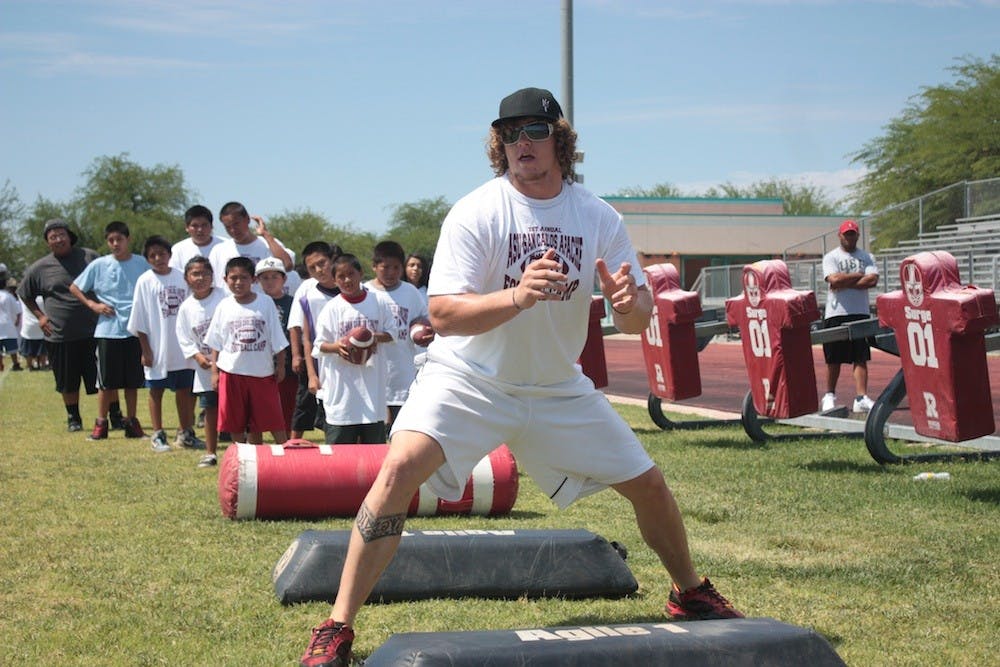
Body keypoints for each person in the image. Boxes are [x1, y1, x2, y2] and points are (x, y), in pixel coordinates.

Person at [299, 87, 742, 667]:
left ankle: (689, 592)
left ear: (560, 138)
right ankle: (337, 627)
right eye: (508, 134)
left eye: (533, 130)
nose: (520, 143)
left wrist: (630, 302)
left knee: (649, 484)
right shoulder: (478, 210)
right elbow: (443, 314)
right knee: (398, 469)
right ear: (497, 145)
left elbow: (635, 319)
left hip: (556, 385)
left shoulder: (597, 216)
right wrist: (517, 295)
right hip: (469, 378)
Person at [69, 221, 149, 439]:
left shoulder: (142, 263)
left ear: (128, 239)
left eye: (119, 240)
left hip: (134, 330)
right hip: (107, 330)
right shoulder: (99, 265)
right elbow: (75, 287)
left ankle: (132, 422)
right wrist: (93, 305)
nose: (115, 244)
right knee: (106, 382)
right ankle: (101, 424)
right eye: (111, 240)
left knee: (132, 382)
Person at [17, 219, 99, 431]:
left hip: (95, 330)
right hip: (60, 334)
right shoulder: (39, 268)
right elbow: (24, 293)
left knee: (102, 377)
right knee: (67, 380)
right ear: (48, 242)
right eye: (52, 237)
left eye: (61, 234)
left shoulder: (89, 257)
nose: (58, 239)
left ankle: (114, 415)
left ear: (69, 236)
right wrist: (40, 316)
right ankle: (74, 418)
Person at [311, 253, 397, 445]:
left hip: (372, 392)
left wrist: (371, 338)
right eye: (341, 276)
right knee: (339, 456)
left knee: (373, 454)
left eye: (351, 274)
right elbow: (319, 345)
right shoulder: (332, 308)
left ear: (361, 274)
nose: (347, 280)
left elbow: (393, 334)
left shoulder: (379, 302)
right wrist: (337, 346)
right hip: (342, 393)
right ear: (334, 280)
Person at [127, 236, 201, 452]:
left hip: (182, 346)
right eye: (152, 255)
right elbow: (139, 318)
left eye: (162, 254)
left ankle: (185, 432)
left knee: (185, 390)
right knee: (156, 390)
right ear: (147, 258)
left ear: (170, 255)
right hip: (157, 347)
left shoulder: (181, 278)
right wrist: (145, 349)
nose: (158, 258)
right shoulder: (145, 281)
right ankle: (158, 434)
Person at [205, 256, 289, 445]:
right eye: (233, 278)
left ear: (253, 280)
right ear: (225, 279)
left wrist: (281, 365)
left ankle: (286, 459)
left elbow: (277, 336)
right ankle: (245, 460)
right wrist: (214, 373)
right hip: (232, 373)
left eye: (243, 278)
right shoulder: (224, 306)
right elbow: (216, 342)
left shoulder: (265, 303)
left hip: (262, 373)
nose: (238, 282)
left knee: (273, 420)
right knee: (236, 423)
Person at [365, 241, 430, 427]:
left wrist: (422, 331)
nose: (391, 272)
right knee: (374, 432)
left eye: (396, 267)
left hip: (402, 374)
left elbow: (422, 319)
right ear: (374, 266)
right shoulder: (365, 292)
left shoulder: (410, 292)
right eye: (385, 267)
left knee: (403, 428)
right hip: (372, 373)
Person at [820, 219, 879, 413]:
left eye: (853, 234)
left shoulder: (867, 256)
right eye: (847, 234)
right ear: (840, 235)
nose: (850, 237)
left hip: (859, 312)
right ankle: (829, 395)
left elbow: (872, 280)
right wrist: (857, 275)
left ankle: (861, 398)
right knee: (833, 358)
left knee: (860, 357)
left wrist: (845, 281)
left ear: (857, 235)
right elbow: (834, 279)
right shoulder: (831, 257)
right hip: (836, 313)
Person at [176, 256, 227, 467]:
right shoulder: (187, 307)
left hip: (230, 363)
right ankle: (210, 452)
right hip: (205, 367)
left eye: (205, 273)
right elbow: (184, 337)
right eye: (195, 274)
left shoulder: (224, 297)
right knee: (210, 408)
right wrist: (197, 356)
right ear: (187, 278)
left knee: (234, 407)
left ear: (212, 276)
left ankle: (243, 450)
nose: (200, 278)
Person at [287, 241, 342, 440]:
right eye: (312, 267)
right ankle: (293, 445)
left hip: (346, 360)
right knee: (305, 403)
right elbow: (298, 327)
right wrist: (297, 356)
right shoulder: (308, 291)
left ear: (332, 260)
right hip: (316, 360)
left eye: (322, 263)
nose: (319, 270)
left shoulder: (352, 287)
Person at [208, 202, 296, 293]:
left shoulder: (268, 244)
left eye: (236, 224)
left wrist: (266, 234)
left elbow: (287, 265)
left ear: (247, 219)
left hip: (264, 304)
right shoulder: (218, 250)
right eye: (228, 227)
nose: (233, 230)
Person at [255, 257, 298, 434]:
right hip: (260, 361)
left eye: (275, 277)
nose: (270, 281)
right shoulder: (254, 302)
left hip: (286, 361)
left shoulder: (293, 302)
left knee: (287, 403)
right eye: (265, 278)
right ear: (257, 280)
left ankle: (286, 437)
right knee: (259, 404)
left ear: (284, 279)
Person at [169, 204, 224, 272]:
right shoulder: (177, 250)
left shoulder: (225, 245)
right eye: (195, 226)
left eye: (204, 225)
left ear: (211, 226)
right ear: (187, 227)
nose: (200, 229)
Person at [0, 268, 21, 372]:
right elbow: (17, 310)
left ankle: (0, 365)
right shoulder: (8, 296)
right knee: (12, 349)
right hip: (7, 325)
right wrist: (16, 320)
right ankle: (16, 364)